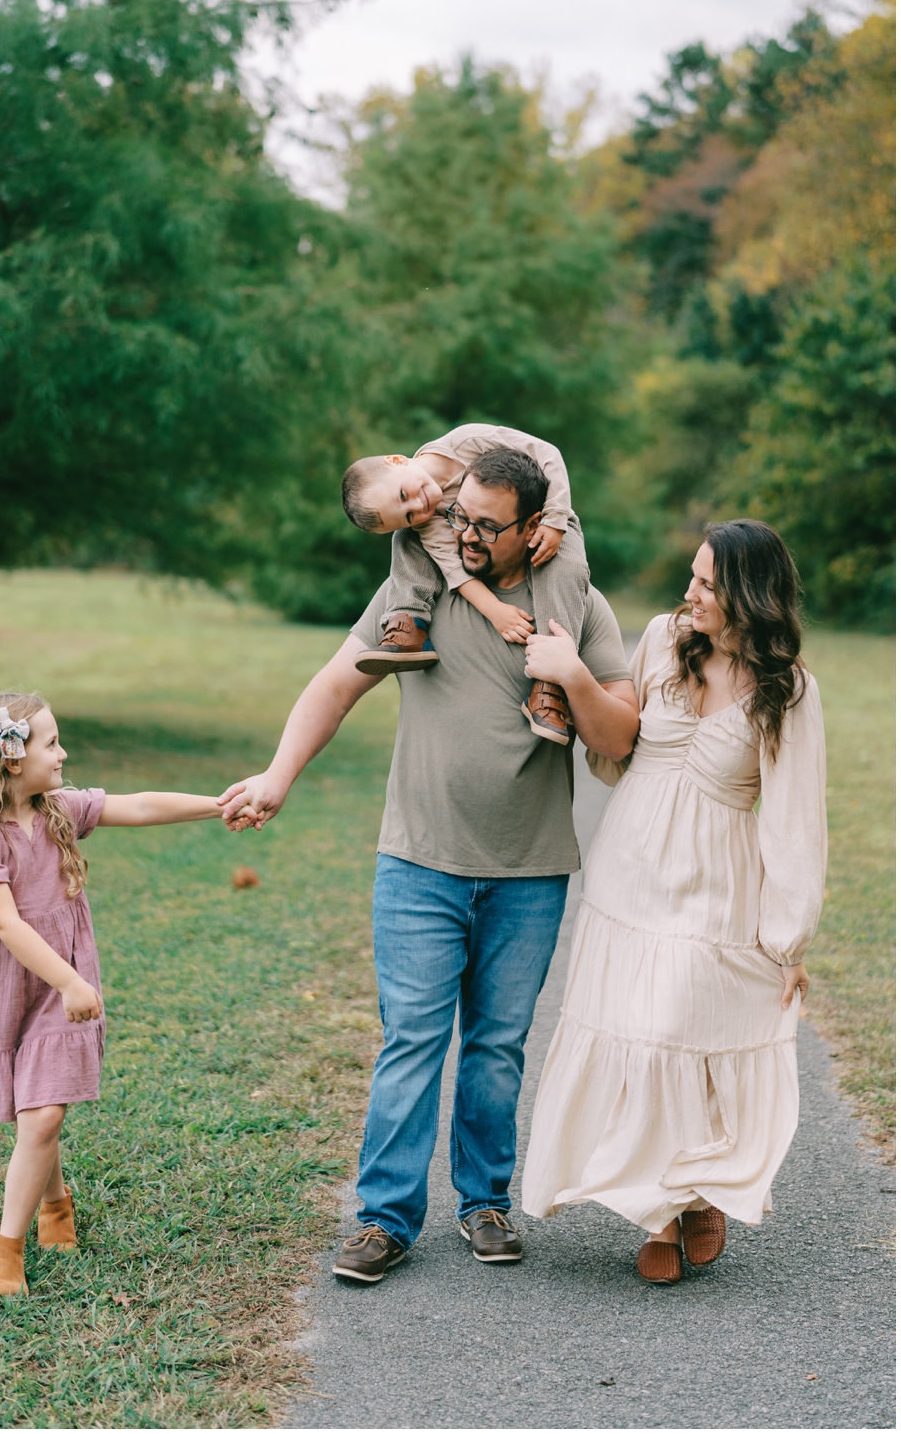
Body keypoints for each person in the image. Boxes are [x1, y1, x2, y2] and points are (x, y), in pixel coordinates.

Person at [219, 447, 639, 1282]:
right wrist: (277, 774)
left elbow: (620, 736)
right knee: (412, 1039)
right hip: (418, 862)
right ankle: (384, 1220)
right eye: (461, 516)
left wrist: (572, 674)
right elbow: (334, 685)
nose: (465, 532)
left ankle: (484, 1202)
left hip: (528, 869)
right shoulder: (421, 583)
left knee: (496, 1045)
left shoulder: (579, 602)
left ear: (536, 527)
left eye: (488, 525)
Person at [520, 519, 827, 1285]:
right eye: (692, 575)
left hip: (716, 878)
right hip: (629, 868)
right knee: (633, 1030)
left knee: (678, 1030)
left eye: (708, 584)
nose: (689, 593)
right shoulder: (661, 638)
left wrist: (787, 941)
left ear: (750, 598)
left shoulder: (787, 688)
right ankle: (663, 1209)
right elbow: (615, 751)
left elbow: (794, 819)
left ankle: (693, 1188)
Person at [0, 692, 227, 1297]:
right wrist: (67, 980)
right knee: (40, 1111)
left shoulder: (57, 809)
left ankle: (14, 1237)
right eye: (52, 743)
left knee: (45, 1109)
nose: (64, 753)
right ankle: (46, 1209)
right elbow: (8, 926)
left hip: (64, 986)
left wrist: (218, 805)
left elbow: (137, 805)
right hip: (23, 989)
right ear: (12, 758)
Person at [341, 423, 592, 745]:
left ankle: (551, 684)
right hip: (479, 540)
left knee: (567, 567)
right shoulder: (427, 520)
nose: (418, 508)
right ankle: (408, 622)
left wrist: (555, 517)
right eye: (405, 513)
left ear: (396, 460)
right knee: (407, 539)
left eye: (404, 494)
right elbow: (453, 570)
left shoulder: (466, 440)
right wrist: (496, 611)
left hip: (547, 514)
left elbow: (547, 454)